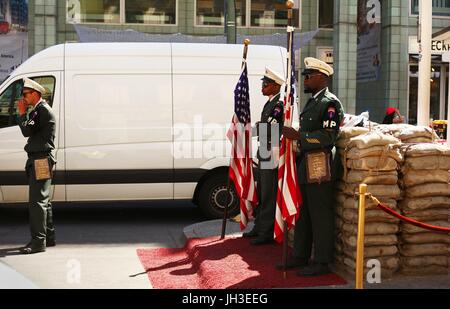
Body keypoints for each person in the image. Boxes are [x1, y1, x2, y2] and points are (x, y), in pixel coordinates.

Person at [281, 57, 344, 276]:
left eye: (309, 76)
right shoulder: (312, 102)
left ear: (322, 78)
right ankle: (300, 255)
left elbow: (328, 136)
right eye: (305, 75)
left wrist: (300, 136)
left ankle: (322, 261)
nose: (305, 79)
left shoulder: (329, 103)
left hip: (321, 166)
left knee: (320, 215)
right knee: (304, 213)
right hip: (307, 165)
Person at [242, 67, 284, 245]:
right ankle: (259, 226)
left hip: (270, 150)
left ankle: (265, 232)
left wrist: (248, 131)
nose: (263, 87)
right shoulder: (269, 104)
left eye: (266, 84)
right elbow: (264, 126)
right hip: (264, 150)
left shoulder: (278, 106)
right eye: (263, 84)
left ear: (275, 86)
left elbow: (271, 129)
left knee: (268, 193)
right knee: (261, 191)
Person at [17, 77, 56, 254]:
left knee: (37, 202)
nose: (23, 98)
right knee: (44, 201)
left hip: (40, 159)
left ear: (35, 93)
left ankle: (38, 242)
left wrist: (20, 113)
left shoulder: (41, 111)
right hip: (39, 158)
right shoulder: (38, 110)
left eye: (26, 94)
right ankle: (48, 237)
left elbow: (26, 130)